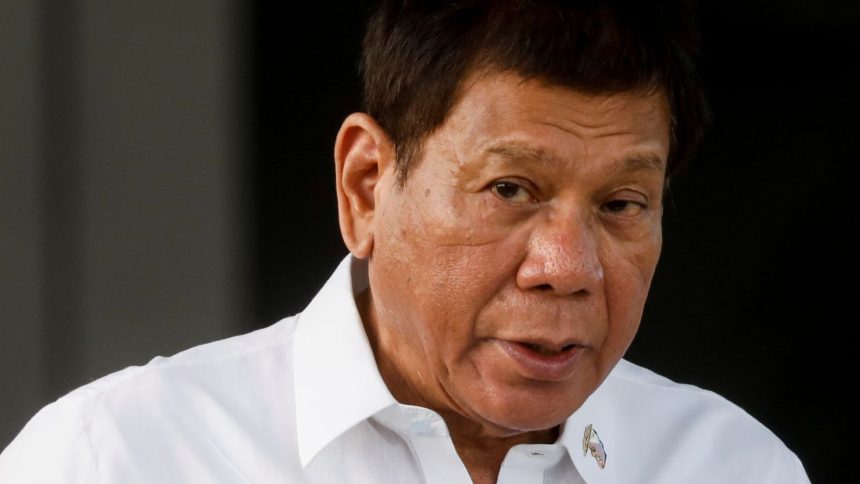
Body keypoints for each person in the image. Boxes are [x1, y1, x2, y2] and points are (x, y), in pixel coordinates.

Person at [0, 1, 810, 483]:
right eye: (509, 189)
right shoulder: (121, 460)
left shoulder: (729, 467)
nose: (567, 268)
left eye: (623, 202)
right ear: (365, 185)